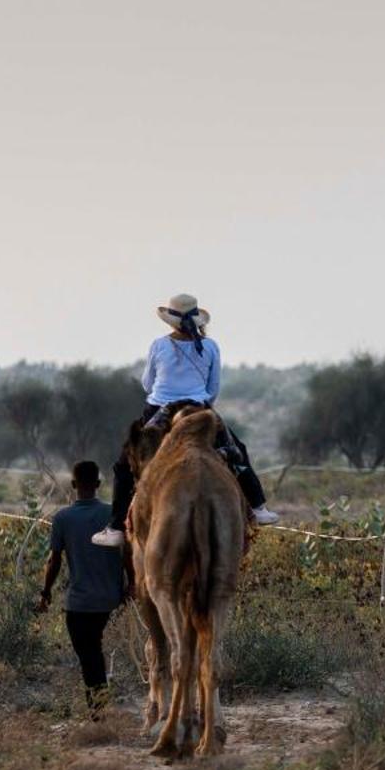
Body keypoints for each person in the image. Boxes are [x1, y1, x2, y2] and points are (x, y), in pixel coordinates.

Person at [92, 293, 278, 547]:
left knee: (124, 465)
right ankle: (258, 507)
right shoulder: (211, 346)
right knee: (237, 452)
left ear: (171, 321)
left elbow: (148, 384)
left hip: (160, 409)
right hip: (199, 407)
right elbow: (213, 389)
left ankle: (115, 528)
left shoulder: (159, 345)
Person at [37, 460, 126, 712]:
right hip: (110, 597)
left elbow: (54, 561)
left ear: (74, 484)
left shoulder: (63, 518)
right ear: (98, 484)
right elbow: (129, 553)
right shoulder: (113, 514)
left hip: (80, 602)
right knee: (93, 649)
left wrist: (46, 593)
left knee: (88, 653)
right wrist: (130, 587)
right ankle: (100, 700)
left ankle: (98, 709)